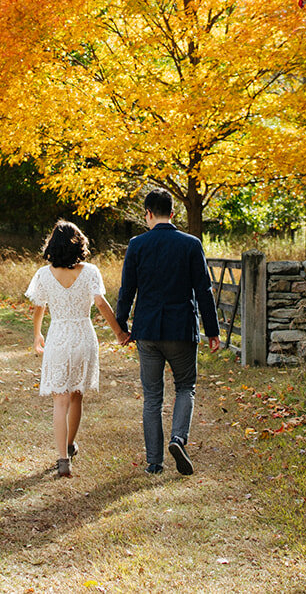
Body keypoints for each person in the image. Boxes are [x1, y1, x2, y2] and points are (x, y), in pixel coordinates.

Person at [113, 187, 221, 475]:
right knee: (185, 387)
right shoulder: (190, 243)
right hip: (182, 329)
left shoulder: (137, 245)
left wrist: (122, 327)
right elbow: (204, 290)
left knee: (152, 397)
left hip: (147, 330)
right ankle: (178, 438)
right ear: (173, 213)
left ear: (148, 214)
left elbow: (127, 291)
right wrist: (212, 330)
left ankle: (154, 463)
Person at [26, 219, 128, 478]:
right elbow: (102, 304)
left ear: (53, 245)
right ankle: (70, 445)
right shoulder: (91, 271)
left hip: (59, 335)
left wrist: (38, 334)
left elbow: (40, 307)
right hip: (83, 336)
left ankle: (63, 460)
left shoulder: (43, 274)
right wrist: (119, 332)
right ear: (79, 244)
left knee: (59, 400)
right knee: (76, 395)